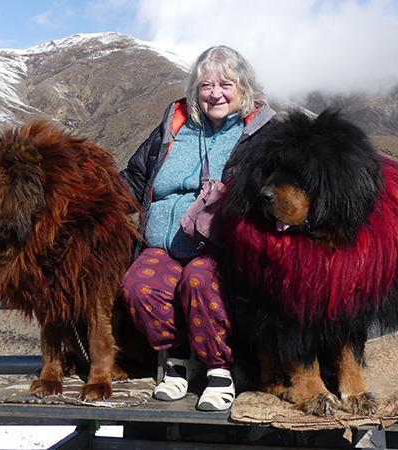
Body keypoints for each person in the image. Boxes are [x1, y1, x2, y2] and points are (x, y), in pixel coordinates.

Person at [119, 46, 275, 411]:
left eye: (226, 84)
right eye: (206, 85)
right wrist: (87, 195)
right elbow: (135, 177)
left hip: (221, 248)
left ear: (244, 86)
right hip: (163, 243)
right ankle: (178, 357)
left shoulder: (260, 132)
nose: (215, 93)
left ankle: (219, 370)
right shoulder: (174, 126)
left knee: (199, 281)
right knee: (139, 286)